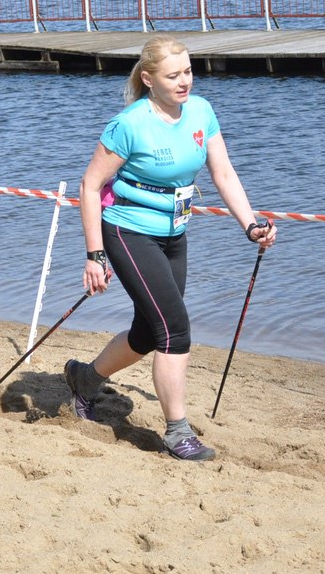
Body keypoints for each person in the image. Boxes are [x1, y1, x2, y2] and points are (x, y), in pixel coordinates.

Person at [64, 35, 276, 462]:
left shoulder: (201, 112)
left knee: (148, 333)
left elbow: (223, 173)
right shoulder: (129, 124)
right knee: (174, 330)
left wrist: (251, 225)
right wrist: (94, 255)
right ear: (148, 79)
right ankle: (177, 432)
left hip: (174, 234)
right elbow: (89, 185)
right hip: (127, 231)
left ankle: (84, 380)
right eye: (173, 75)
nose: (184, 82)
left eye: (188, 72)